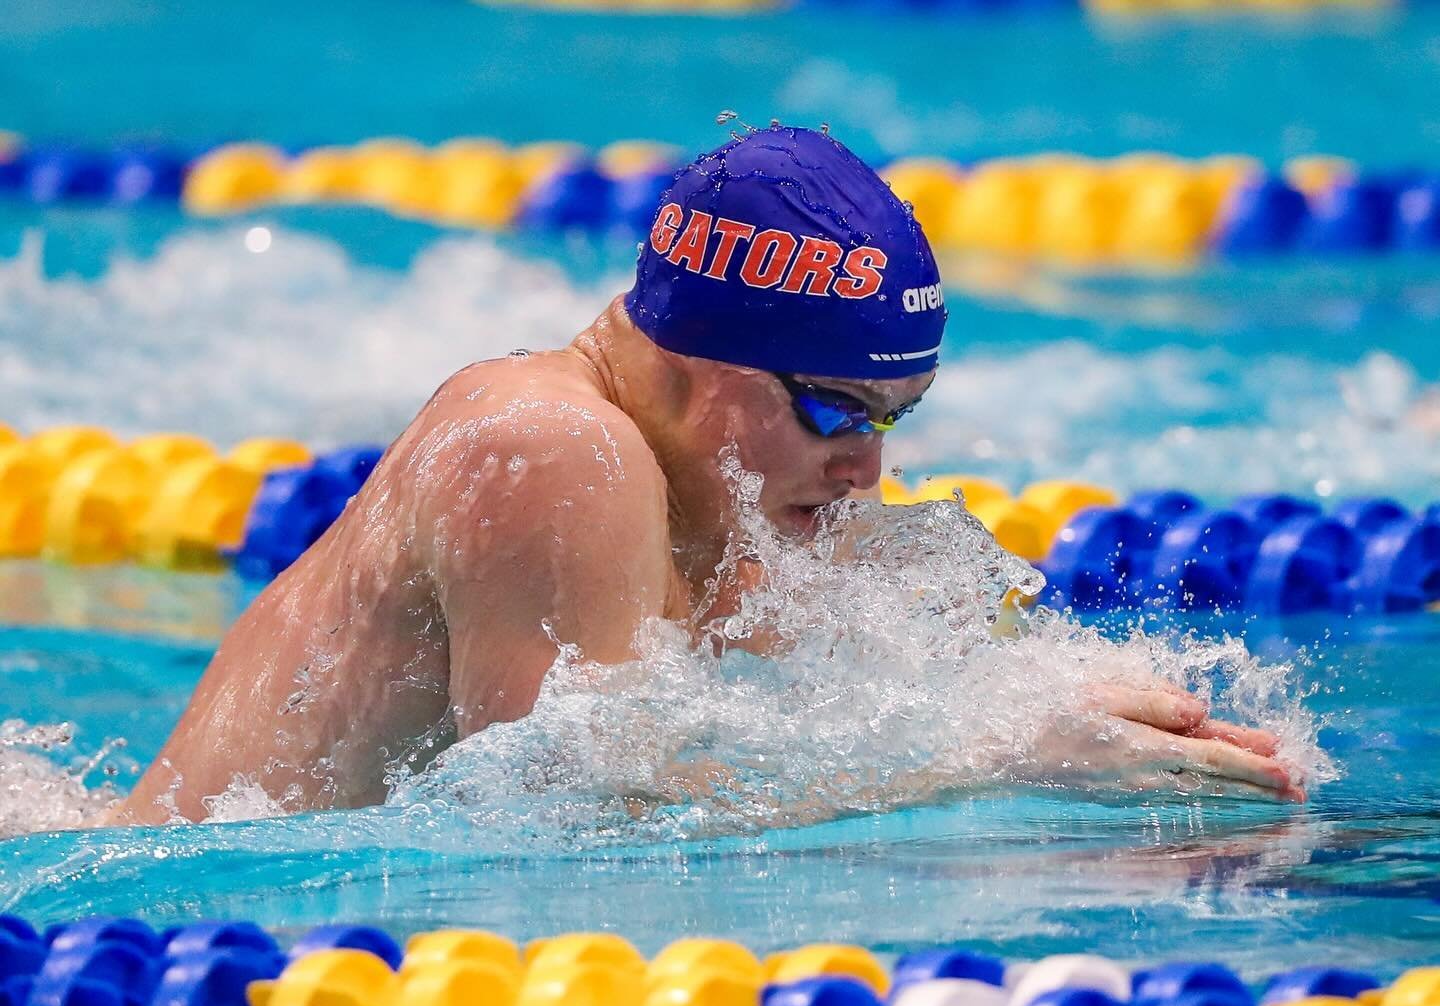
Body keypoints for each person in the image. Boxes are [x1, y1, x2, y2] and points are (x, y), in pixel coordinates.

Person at [108, 126, 1301, 825]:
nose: (865, 465)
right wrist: (995, 760)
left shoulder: (727, 493)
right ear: (699, 358)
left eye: (893, 419)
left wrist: (1080, 709)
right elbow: (561, 819)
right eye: (832, 408)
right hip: (188, 936)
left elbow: (799, 727)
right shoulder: (555, 453)